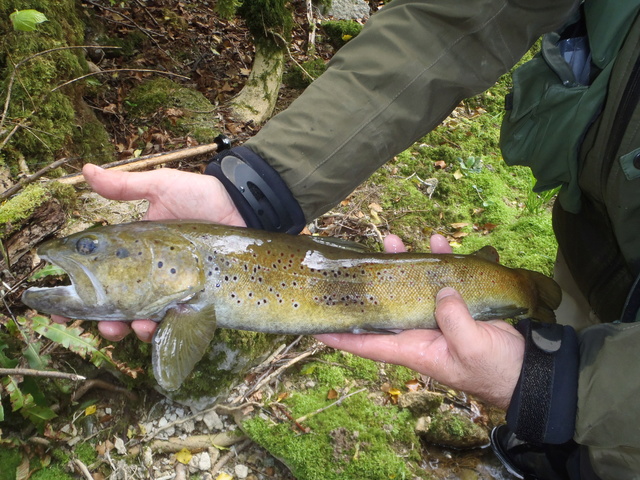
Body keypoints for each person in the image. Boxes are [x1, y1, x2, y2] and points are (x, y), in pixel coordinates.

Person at [63, 0, 640, 478]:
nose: (83, 255)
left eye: (93, 250)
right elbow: (455, 22)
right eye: (95, 249)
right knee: (563, 420)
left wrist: (556, 389)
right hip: (598, 245)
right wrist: (254, 191)